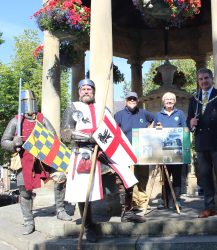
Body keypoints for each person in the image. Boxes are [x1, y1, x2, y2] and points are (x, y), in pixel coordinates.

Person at [61, 80, 146, 242]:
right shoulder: (73, 108)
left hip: (104, 150)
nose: (86, 91)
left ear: (93, 91)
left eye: (89, 89)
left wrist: (101, 139)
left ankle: (127, 212)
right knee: (82, 189)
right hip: (83, 152)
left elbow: (113, 130)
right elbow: (65, 133)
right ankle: (88, 225)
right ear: (79, 91)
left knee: (125, 176)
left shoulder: (103, 109)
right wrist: (87, 137)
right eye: (83, 89)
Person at [1, 90, 71, 235]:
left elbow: (53, 137)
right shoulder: (16, 121)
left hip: (43, 158)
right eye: (26, 102)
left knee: (60, 177)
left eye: (31, 101)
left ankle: (60, 209)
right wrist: (14, 142)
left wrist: (45, 139)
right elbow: (4, 142)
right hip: (24, 159)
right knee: (24, 190)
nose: (29, 105)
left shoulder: (42, 119)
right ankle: (28, 221)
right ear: (22, 104)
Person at [187, 68, 217, 219]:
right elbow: (189, 120)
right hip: (201, 143)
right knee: (205, 176)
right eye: (200, 79)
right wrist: (190, 123)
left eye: (206, 78)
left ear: (211, 78)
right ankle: (209, 207)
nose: (203, 81)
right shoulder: (194, 99)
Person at [114, 91, 155, 218]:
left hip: (141, 151)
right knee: (127, 178)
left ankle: (142, 202)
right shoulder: (119, 115)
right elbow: (114, 132)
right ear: (126, 101)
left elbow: (156, 119)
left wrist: (150, 129)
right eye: (130, 99)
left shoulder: (143, 113)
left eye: (134, 99)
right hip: (124, 152)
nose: (132, 101)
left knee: (142, 177)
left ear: (137, 101)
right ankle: (129, 203)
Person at [154, 92, 187, 209]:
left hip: (177, 152)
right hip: (163, 152)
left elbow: (185, 130)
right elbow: (154, 133)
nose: (169, 101)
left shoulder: (180, 113)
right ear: (163, 101)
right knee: (165, 177)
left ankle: (176, 200)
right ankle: (165, 200)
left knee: (177, 177)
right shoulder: (158, 115)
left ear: (175, 101)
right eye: (167, 99)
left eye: (171, 99)